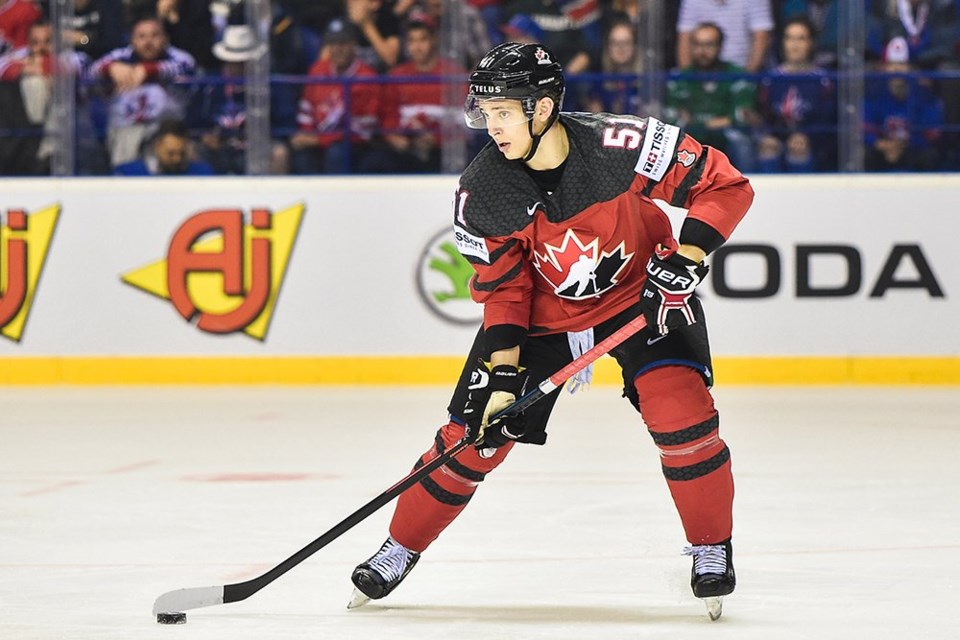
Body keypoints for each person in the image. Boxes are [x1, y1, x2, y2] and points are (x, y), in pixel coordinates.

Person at [348, 42, 753, 618]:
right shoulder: (482, 189)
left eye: (504, 113)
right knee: (473, 437)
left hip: (643, 299)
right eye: (485, 115)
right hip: (544, 318)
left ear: (542, 108)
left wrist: (689, 255)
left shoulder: (625, 145)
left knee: (682, 415)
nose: (492, 128)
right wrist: (505, 370)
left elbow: (726, 185)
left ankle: (711, 547)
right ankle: (398, 547)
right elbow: (505, 288)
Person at [86, 15, 197, 167]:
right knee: (127, 139)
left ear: (165, 38)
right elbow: (91, 71)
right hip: (125, 130)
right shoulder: (120, 57)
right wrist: (110, 68)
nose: (148, 42)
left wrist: (149, 69)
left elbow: (188, 66)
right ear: (132, 40)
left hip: (165, 130)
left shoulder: (178, 57)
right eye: (142, 36)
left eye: (155, 35)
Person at [371, 10, 465, 173]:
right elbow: (388, 115)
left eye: (423, 39)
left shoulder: (453, 73)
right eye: (412, 40)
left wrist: (437, 139)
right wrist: (394, 137)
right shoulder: (396, 75)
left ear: (434, 40)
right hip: (406, 147)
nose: (417, 47)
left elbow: (462, 120)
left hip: (443, 149)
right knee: (376, 161)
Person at [290, 18, 380, 174]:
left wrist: (317, 140)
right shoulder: (318, 70)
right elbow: (307, 111)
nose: (338, 49)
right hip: (319, 140)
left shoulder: (367, 77)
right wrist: (306, 134)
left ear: (353, 45)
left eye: (343, 43)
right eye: (333, 44)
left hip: (354, 144)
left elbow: (363, 130)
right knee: (300, 155)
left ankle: (335, 198)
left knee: (336, 153)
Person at [665, 22, 759, 172]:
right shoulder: (680, 78)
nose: (702, 51)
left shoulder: (736, 74)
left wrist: (697, 121)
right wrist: (716, 122)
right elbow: (672, 116)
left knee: (740, 140)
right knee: (669, 143)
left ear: (720, 46)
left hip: (725, 136)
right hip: (690, 137)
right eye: (697, 44)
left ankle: (748, 187)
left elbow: (741, 116)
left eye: (709, 45)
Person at [755, 16, 837, 172]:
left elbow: (828, 119)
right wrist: (769, 137)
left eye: (801, 39)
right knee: (768, 149)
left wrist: (808, 138)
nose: (794, 45)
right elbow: (765, 116)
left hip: (813, 144)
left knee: (799, 151)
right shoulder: (770, 79)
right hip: (779, 138)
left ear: (811, 43)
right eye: (789, 38)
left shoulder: (824, 80)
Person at [864, 36, 944, 171]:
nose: (896, 69)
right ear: (883, 67)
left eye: (902, 63)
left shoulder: (924, 95)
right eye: (891, 63)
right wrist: (884, 145)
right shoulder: (874, 93)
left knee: (930, 157)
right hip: (884, 149)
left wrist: (901, 146)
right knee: (865, 155)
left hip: (913, 149)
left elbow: (931, 132)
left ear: (910, 67)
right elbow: (865, 129)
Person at [676, 0, 774, 73]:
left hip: (742, 72)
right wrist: (687, 80)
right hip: (700, 75)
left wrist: (746, 81)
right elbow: (684, 40)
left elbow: (761, 38)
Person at [113, 118, 214, 175]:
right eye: (171, 153)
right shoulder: (128, 174)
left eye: (182, 153)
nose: (177, 159)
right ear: (157, 146)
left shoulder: (201, 174)